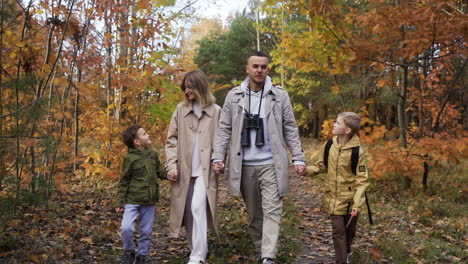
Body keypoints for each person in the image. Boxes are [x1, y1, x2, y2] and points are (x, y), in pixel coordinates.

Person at [212, 51, 306, 264]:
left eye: (263, 67)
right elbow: (224, 129)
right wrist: (218, 156)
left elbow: (290, 127)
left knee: (272, 210)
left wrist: (298, 157)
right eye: (255, 66)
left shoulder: (279, 95)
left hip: (271, 164)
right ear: (247, 69)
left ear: (268, 69)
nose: (259, 70)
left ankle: (268, 257)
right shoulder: (234, 96)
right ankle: (260, 246)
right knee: (255, 214)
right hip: (244, 164)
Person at [165, 69, 221, 264]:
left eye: (190, 87)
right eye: (185, 87)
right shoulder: (180, 110)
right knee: (188, 212)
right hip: (184, 170)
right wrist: (171, 165)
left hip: (206, 171)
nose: (186, 91)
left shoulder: (216, 111)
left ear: (200, 86)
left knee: (198, 208)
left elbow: (223, 140)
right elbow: (171, 140)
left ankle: (197, 256)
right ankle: (196, 251)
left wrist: (220, 160)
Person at [306, 112, 369, 264]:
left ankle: (346, 253)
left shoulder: (357, 152)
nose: (333, 124)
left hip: (350, 199)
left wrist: (357, 204)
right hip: (333, 197)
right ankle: (341, 260)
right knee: (338, 232)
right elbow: (321, 166)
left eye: (338, 123)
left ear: (347, 130)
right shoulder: (328, 145)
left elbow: (362, 180)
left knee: (349, 231)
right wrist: (306, 170)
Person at [115, 124, 166, 264]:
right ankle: (129, 251)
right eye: (144, 134)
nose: (148, 135)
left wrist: (169, 175)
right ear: (137, 142)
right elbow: (124, 181)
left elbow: (159, 172)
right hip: (132, 199)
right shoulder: (130, 159)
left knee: (146, 231)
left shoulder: (152, 155)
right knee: (126, 228)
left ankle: (142, 256)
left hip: (149, 201)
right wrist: (120, 201)